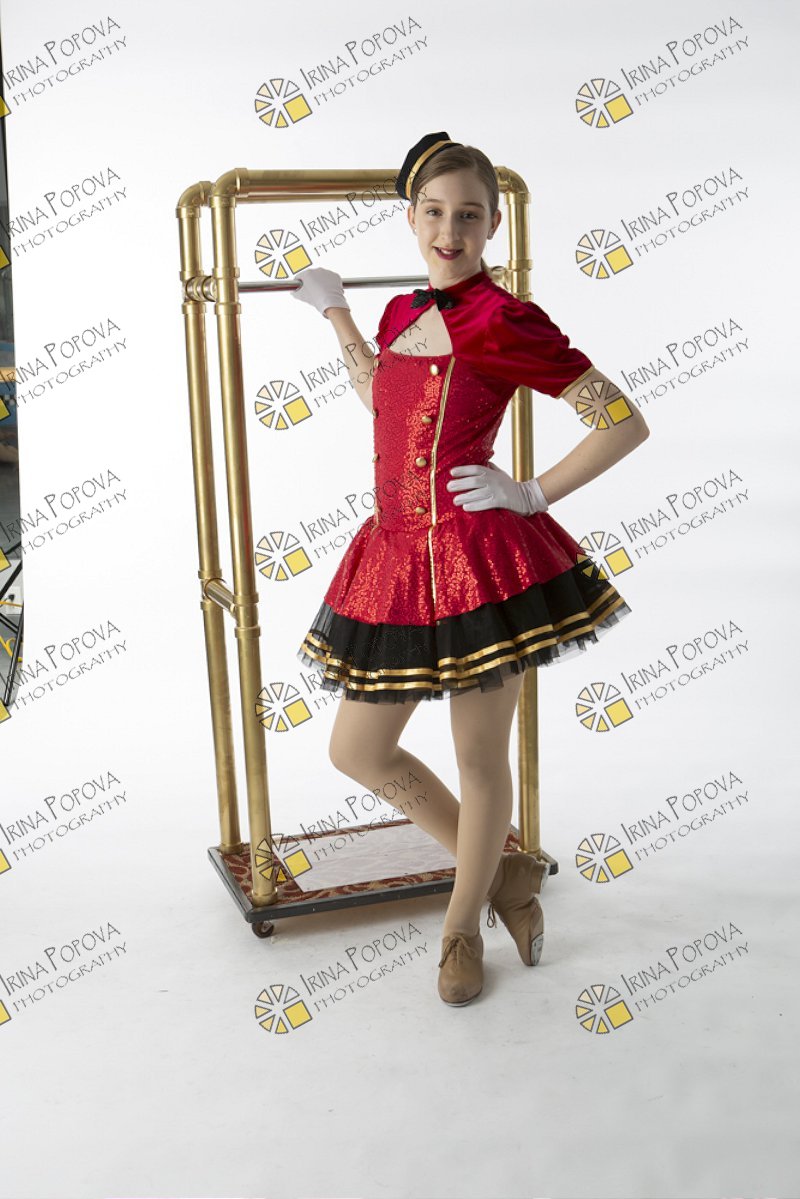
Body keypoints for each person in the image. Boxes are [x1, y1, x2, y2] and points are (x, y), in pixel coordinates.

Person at [292, 131, 650, 1007]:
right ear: (411, 218)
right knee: (356, 748)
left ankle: (460, 931)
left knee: (479, 757)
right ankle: (506, 871)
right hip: (392, 557)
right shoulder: (396, 313)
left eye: (468, 216)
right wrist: (336, 313)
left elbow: (621, 419)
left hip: (478, 559)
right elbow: (382, 397)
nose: (448, 232)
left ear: (493, 226)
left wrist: (529, 493)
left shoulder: (503, 319)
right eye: (434, 212)